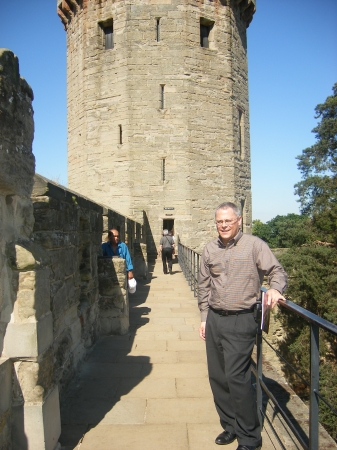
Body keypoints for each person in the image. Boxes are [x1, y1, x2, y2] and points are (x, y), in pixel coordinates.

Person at [198, 202, 287, 450]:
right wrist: (204, 318)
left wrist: (275, 289)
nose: (223, 225)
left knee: (236, 377)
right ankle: (230, 426)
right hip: (215, 318)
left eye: (228, 220)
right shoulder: (209, 249)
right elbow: (204, 286)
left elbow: (277, 270)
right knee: (218, 377)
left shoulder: (255, 245)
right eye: (219, 221)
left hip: (242, 319)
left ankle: (250, 438)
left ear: (238, 220)